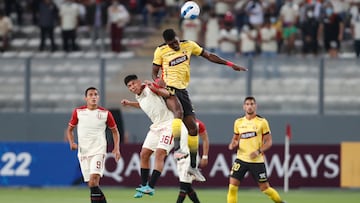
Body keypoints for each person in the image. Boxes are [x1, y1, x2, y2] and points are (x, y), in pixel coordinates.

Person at [152, 28, 247, 180]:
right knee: (179, 113)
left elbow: (209, 56)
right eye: (171, 44)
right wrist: (157, 81)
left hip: (183, 90)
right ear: (166, 43)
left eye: (176, 42)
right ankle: (177, 149)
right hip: (168, 88)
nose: (175, 46)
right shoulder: (160, 51)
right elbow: (154, 71)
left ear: (178, 38)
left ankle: (193, 166)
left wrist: (230, 64)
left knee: (193, 128)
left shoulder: (189, 45)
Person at [121, 74, 197, 198]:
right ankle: (144, 185)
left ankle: (151, 187)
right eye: (129, 86)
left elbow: (167, 93)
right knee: (144, 154)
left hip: (169, 124)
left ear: (139, 82)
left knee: (160, 153)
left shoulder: (150, 88)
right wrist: (130, 103)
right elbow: (144, 105)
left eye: (134, 83)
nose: (132, 87)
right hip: (156, 126)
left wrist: (155, 88)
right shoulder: (138, 96)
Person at [66, 86, 121, 203]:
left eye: (96, 94)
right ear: (86, 98)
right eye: (91, 95)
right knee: (91, 185)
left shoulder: (105, 113)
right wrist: (71, 142)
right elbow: (70, 129)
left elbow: (115, 131)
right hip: (83, 152)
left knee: (93, 181)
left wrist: (117, 148)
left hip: (98, 151)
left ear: (98, 97)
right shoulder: (78, 112)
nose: (93, 97)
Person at [227, 96, 286, 203]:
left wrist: (258, 151)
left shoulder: (262, 122)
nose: (250, 106)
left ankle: (280, 202)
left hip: (257, 161)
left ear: (255, 106)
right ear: (244, 107)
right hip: (241, 159)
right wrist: (233, 144)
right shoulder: (238, 122)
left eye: (252, 104)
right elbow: (235, 138)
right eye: (247, 104)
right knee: (232, 187)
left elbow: (269, 142)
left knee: (265, 189)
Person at [176, 118, 209, 203]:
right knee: (187, 187)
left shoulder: (198, 124)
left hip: (191, 158)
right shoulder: (177, 123)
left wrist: (205, 156)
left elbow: (205, 139)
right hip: (180, 158)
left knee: (183, 187)